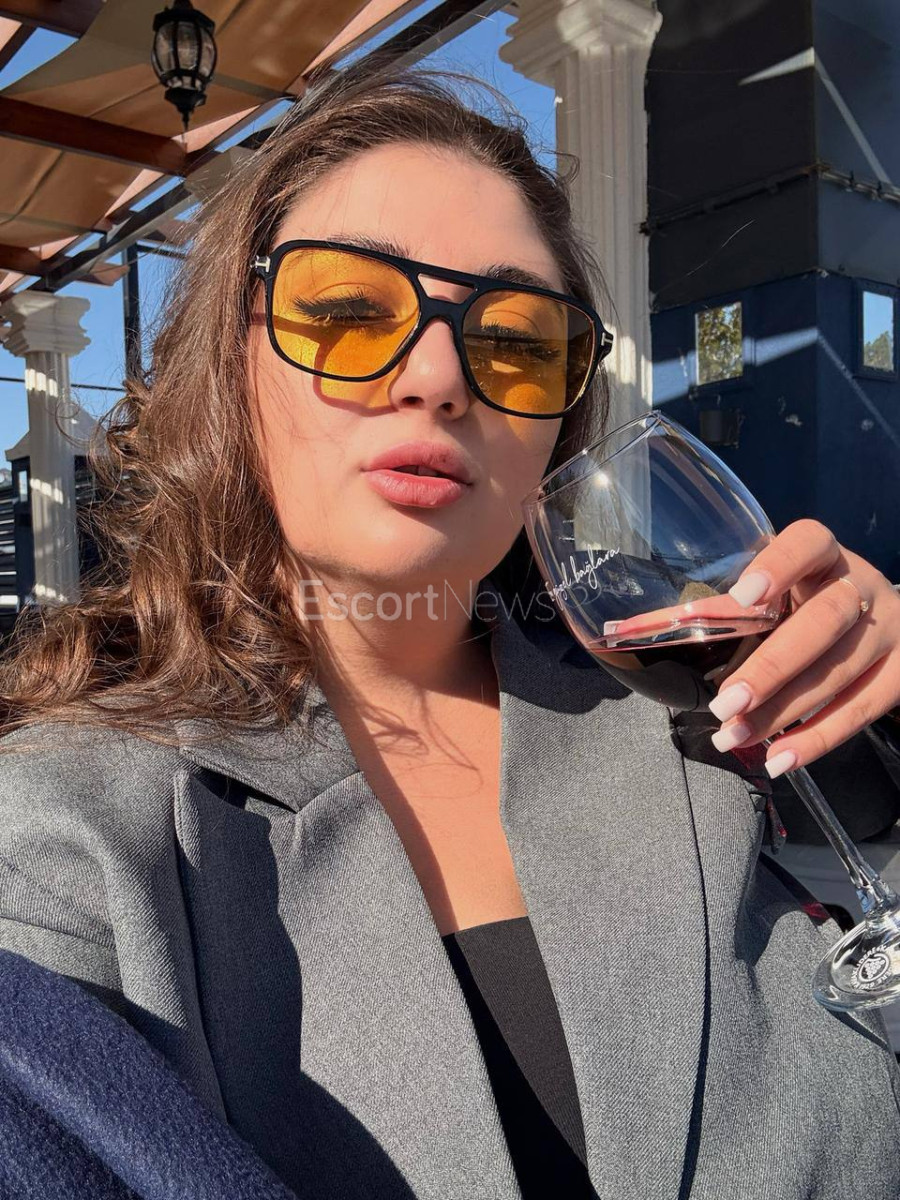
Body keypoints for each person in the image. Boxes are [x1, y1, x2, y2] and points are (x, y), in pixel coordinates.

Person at [1, 57, 899, 1200]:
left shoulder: (686, 718)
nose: (437, 377)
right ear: (233, 362)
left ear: (560, 422)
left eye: (515, 340)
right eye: (345, 312)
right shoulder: (70, 837)